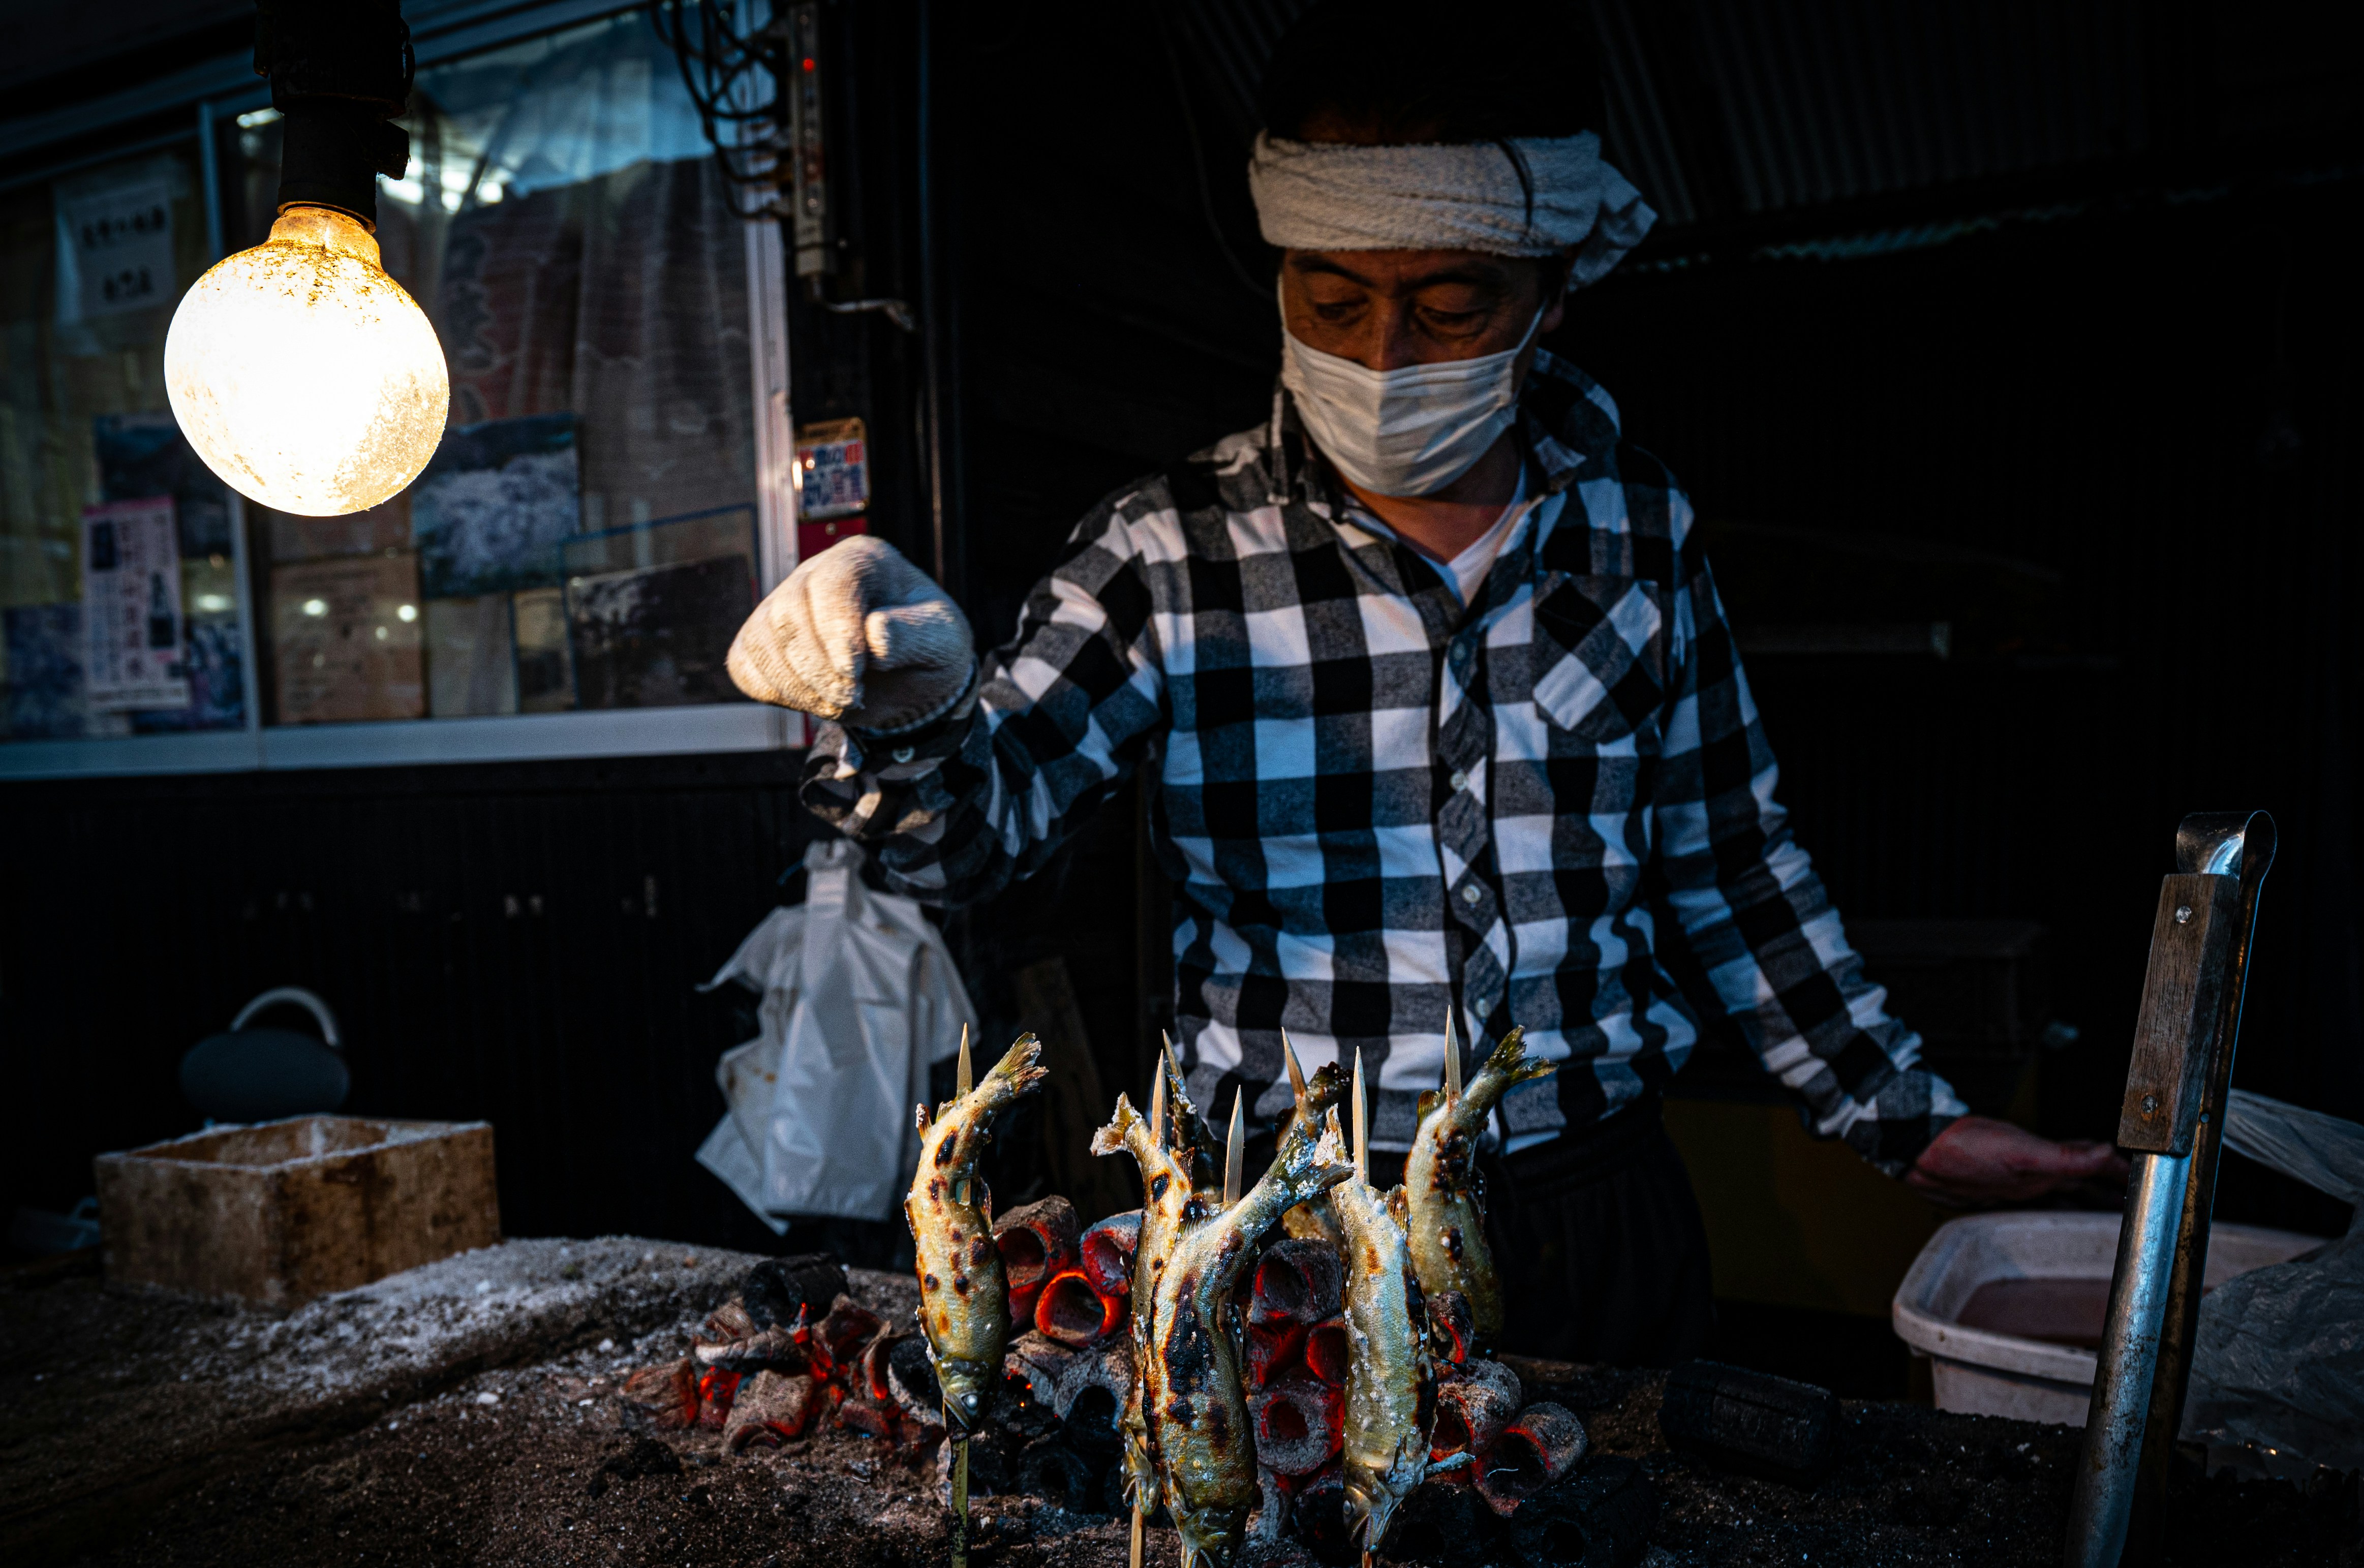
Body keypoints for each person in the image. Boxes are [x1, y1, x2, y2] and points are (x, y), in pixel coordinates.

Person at [726, 0, 2122, 1364]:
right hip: (1281, 1230)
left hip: (1591, 1204)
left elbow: (1731, 862)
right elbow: (981, 832)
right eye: (1331, 301)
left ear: (1552, 291)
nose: (1380, 357)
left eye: (1451, 306)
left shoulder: (1635, 532)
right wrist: (904, 711)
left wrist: (1906, 1115)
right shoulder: (1167, 551)